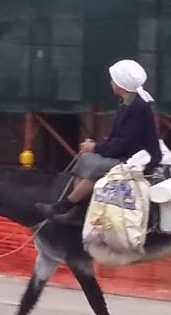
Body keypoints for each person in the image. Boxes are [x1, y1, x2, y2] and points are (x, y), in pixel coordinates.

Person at [39, 59, 162, 220]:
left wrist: (96, 148)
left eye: (113, 80)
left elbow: (126, 144)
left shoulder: (138, 107)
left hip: (137, 158)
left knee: (98, 166)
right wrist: (95, 148)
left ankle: (64, 205)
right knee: (85, 159)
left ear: (120, 85)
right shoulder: (127, 104)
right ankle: (80, 205)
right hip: (125, 153)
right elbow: (119, 139)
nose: (111, 83)